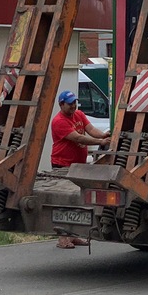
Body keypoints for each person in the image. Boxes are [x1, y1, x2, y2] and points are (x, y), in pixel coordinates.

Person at [50, 89, 111, 248]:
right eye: (70, 103)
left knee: (77, 199)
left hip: (78, 165)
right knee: (63, 200)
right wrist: (100, 143)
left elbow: (91, 129)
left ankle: (73, 235)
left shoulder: (79, 114)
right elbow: (77, 137)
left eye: (74, 102)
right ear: (61, 104)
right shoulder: (58, 121)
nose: (73, 106)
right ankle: (63, 238)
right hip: (62, 164)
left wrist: (103, 136)